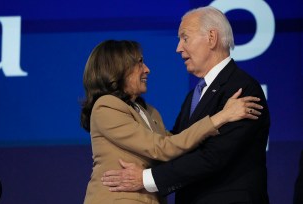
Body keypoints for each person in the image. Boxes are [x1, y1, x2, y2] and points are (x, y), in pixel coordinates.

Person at [101, 6, 270, 204]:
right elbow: (178, 145)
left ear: (211, 38)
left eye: (185, 38)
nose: (178, 48)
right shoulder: (195, 95)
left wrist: (146, 178)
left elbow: (213, 157)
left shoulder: (242, 89)